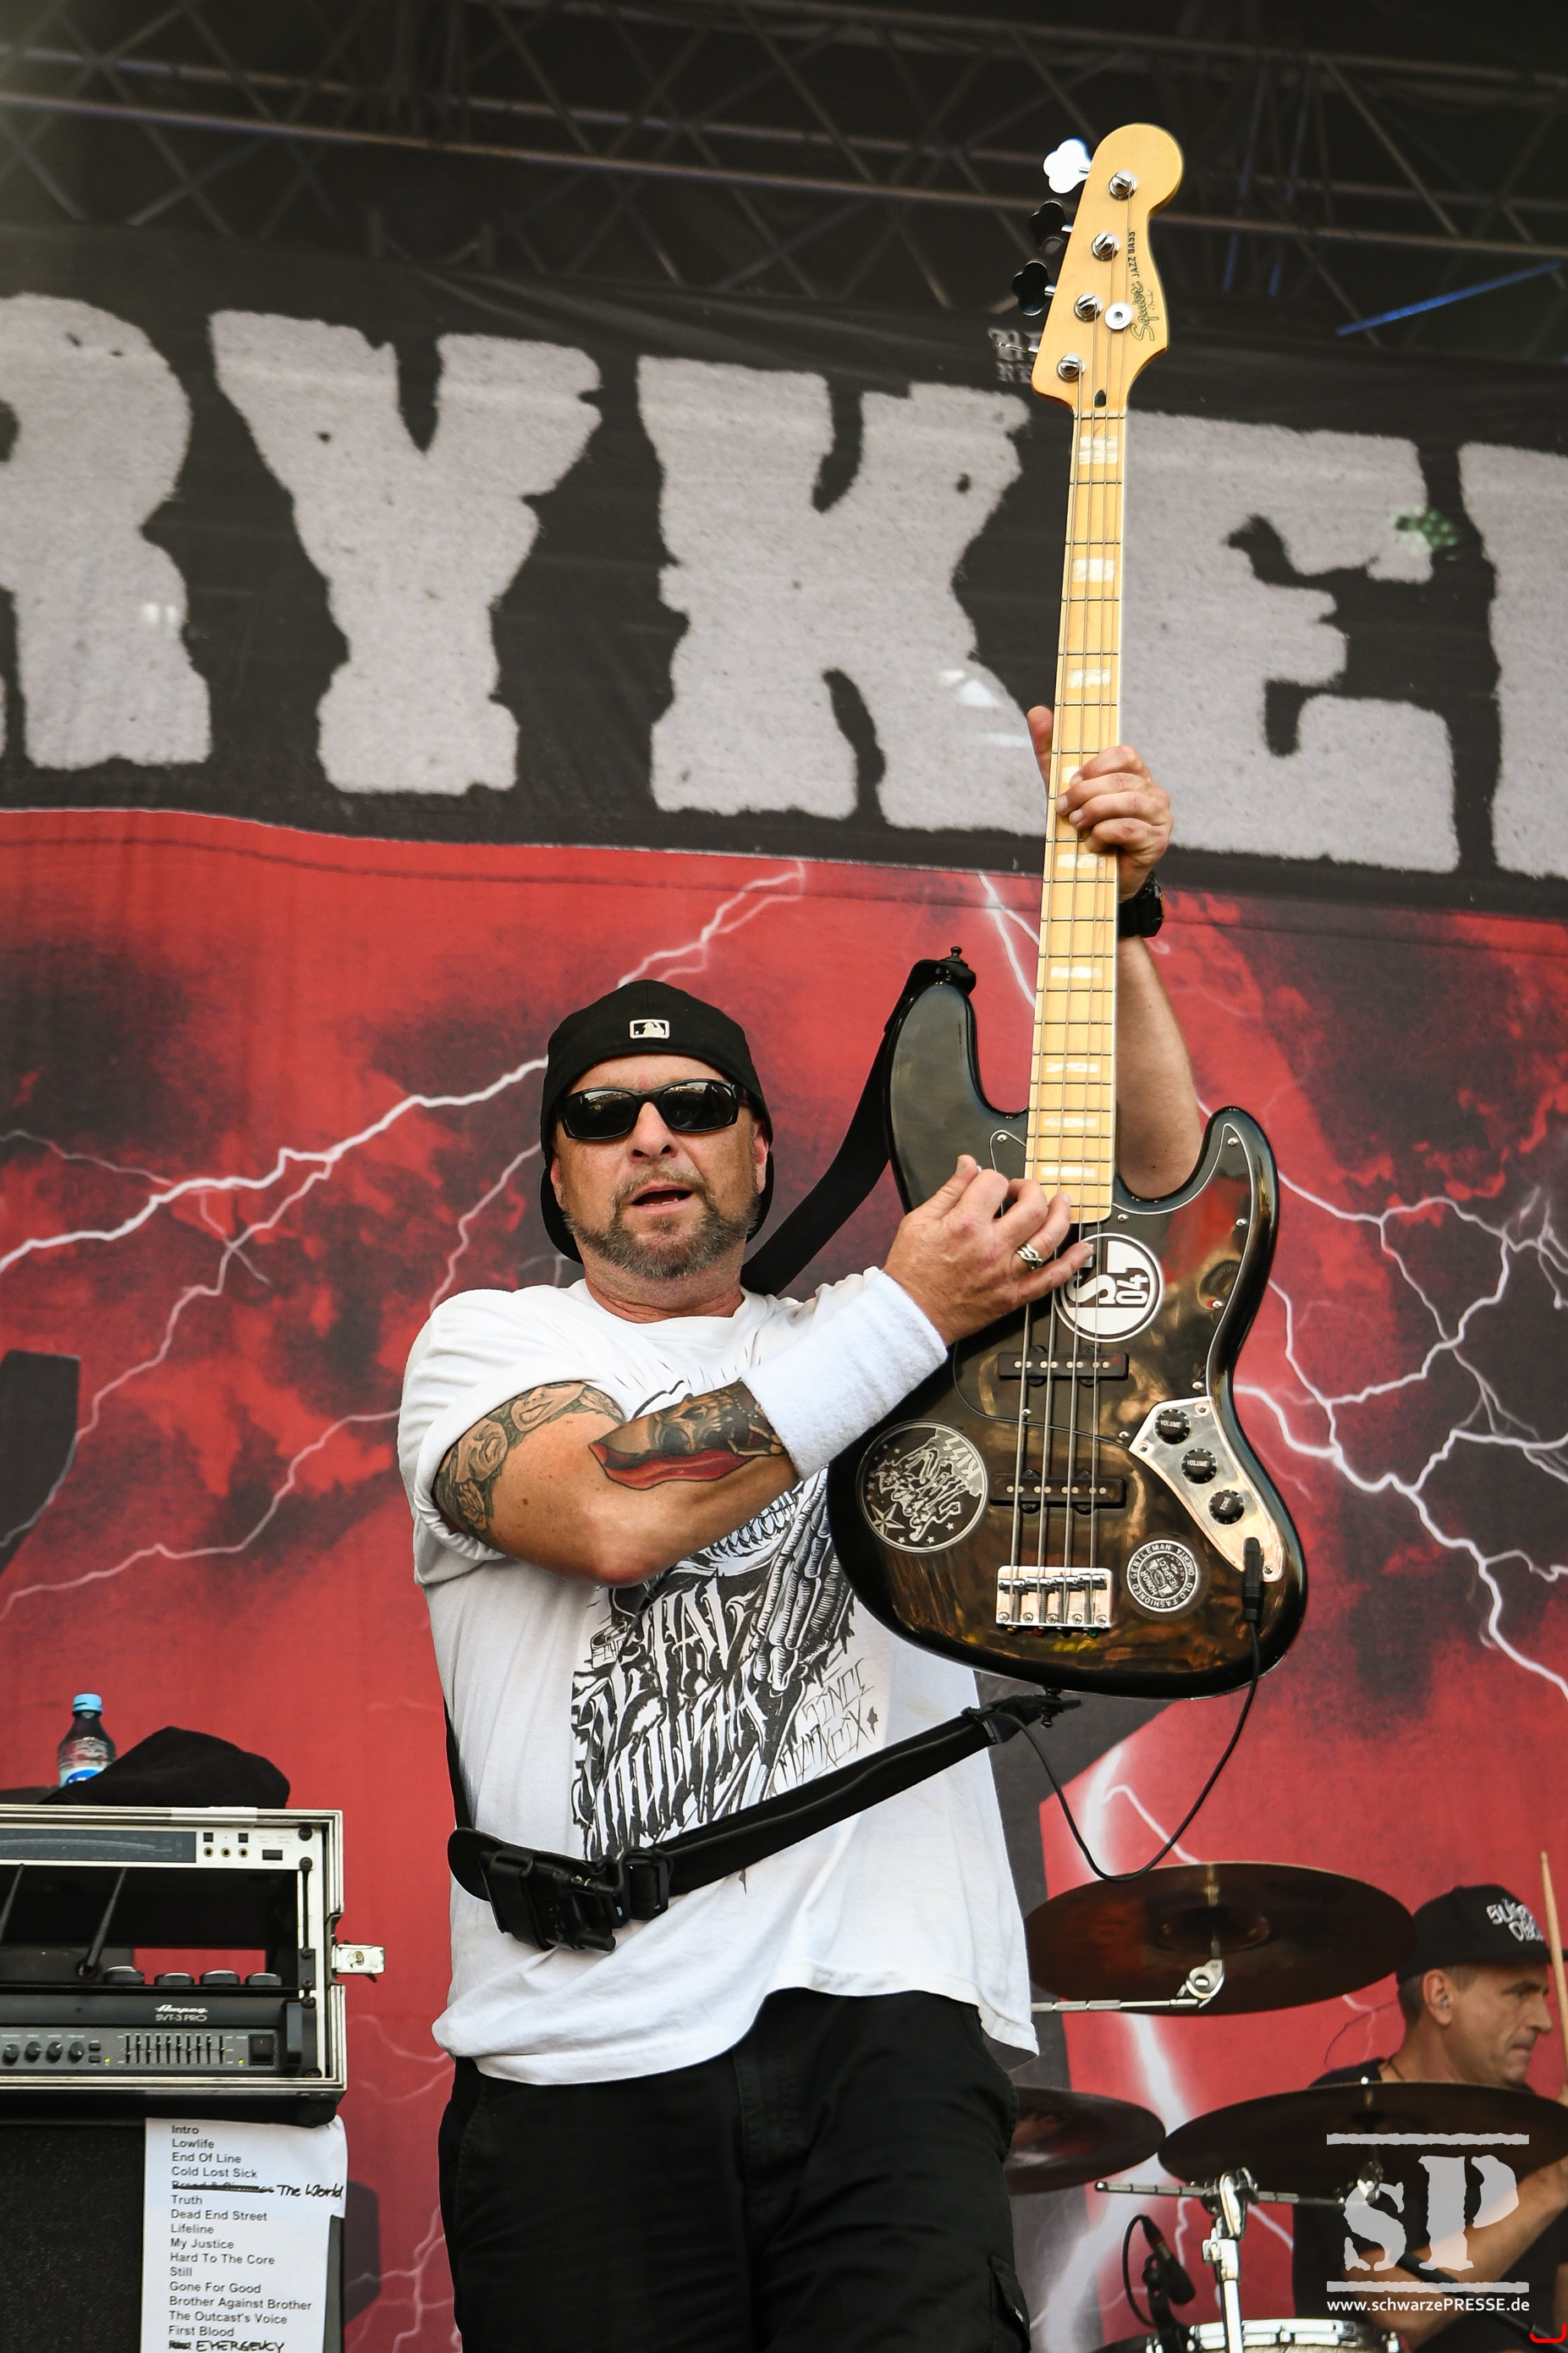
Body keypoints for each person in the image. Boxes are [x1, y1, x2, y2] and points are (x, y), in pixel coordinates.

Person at [397, 709, 1206, 2353]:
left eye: (694, 1103)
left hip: (884, 2036)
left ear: (759, 1147)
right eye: (601, 1117)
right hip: (580, 2062)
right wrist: (908, 1313)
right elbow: (610, 1508)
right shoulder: (490, 1350)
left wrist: (1113, 917)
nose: (651, 1137)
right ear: (554, 1180)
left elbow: (1144, 1198)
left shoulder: (890, 1327)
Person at [1292, 1883, 1568, 2352]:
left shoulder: (1535, 2121)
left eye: (1542, 1993)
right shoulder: (1348, 2112)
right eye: (1520, 1992)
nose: (1544, 2020)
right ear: (1440, 1996)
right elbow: (1401, 2308)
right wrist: (1549, 2186)